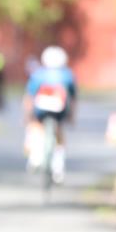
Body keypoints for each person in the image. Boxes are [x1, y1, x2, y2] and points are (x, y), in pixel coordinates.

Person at [24, 45, 76, 183]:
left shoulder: (39, 74)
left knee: (36, 126)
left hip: (40, 110)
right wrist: (72, 117)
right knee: (59, 133)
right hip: (60, 110)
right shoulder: (67, 75)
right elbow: (73, 98)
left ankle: (35, 157)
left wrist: (27, 116)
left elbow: (29, 96)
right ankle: (58, 167)